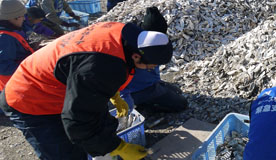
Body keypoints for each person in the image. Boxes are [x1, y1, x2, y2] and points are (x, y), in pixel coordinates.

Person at [0, 21, 173, 159]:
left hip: (54, 82)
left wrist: (113, 94)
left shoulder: (124, 33)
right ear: (136, 55)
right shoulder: (99, 68)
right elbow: (78, 119)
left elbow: (93, 65)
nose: (150, 69)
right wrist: (118, 147)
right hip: (29, 99)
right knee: (64, 154)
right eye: (150, 66)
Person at [120, 7, 188, 113]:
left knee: (177, 90)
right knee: (181, 103)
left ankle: (152, 95)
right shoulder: (135, 51)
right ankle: (145, 105)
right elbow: (120, 87)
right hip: (136, 90)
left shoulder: (154, 46)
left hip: (151, 84)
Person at [0, 0, 34, 91]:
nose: (23, 19)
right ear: (12, 17)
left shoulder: (7, 34)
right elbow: (3, 66)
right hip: (14, 88)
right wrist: (31, 67)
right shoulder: (5, 38)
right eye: (22, 16)